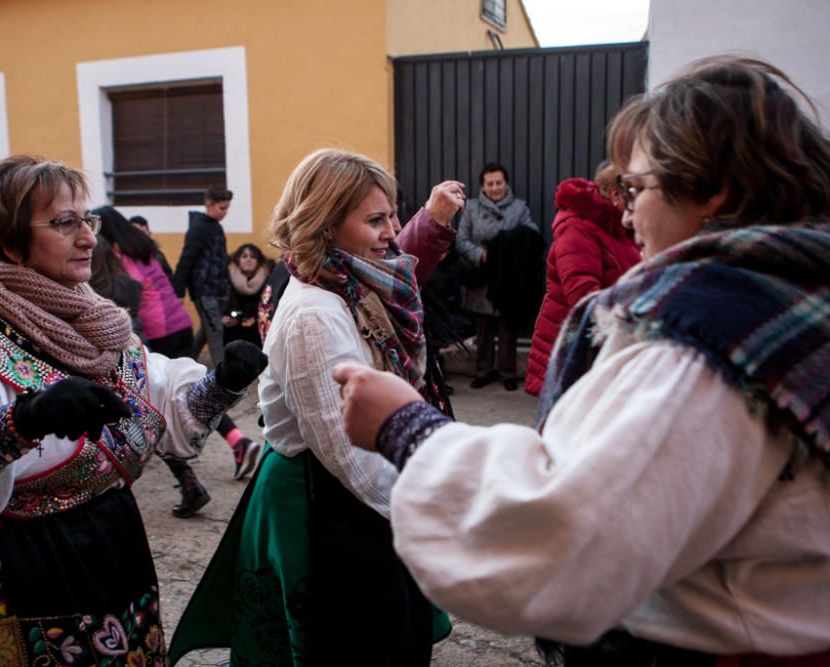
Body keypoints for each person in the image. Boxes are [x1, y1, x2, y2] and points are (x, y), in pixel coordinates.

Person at [333, 56, 830, 665]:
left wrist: (406, 427)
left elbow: (565, 539)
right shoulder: (794, 298)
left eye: (637, 188)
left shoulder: (705, 342)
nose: (625, 211)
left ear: (714, 190)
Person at [0, 155, 267, 666]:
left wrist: (223, 382)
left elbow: (165, 407)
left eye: (87, 220)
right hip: (17, 572)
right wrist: (20, 421)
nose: (88, 238)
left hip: (108, 553)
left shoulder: (99, 328)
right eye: (63, 223)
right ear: (11, 242)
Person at [169, 150, 459, 666]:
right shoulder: (314, 314)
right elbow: (344, 450)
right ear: (325, 225)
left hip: (354, 495)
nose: (393, 231)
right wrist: (424, 508)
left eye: (394, 214)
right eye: (375, 219)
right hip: (326, 504)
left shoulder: (355, 286)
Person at [98, 206, 260, 518]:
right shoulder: (148, 249)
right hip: (179, 324)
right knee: (185, 394)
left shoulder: (118, 258)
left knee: (153, 405)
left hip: (155, 330)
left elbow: (126, 297)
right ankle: (237, 441)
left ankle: (189, 481)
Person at [524, 162, 640, 396]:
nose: (639, 199)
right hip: (576, 355)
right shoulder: (578, 229)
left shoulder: (619, 228)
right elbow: (584, 298)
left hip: (600, 352)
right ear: (616, 194)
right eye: (634, 190)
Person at [456, 163, 539, 390]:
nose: (495, 188)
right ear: (483, 186)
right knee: (483, 329)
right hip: (482, 275)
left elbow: (531, 236)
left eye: (499, 183)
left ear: (506, 184)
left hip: (508, 279)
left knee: (507, 327)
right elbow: (461, 240)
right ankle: (483, 371)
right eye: (490, 183)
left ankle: (508, 372)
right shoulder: (471, 208)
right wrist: (481, 255)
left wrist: (508, 251)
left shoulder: (519, 208)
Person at [171, 185, 234, 366]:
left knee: (208, 329)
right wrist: (179, 291)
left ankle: (187, 361)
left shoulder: (216, 228)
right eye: (222, 208)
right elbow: (186, 260)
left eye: (227, 208)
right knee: (215, 330)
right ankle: (223, 374)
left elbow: (219, 259)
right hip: (204, 290)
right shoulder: (198, 228)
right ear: (209, 204)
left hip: (219, 289)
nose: (225, 213)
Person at [223, 243, 271, 347]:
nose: (248, 259)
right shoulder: (227, 279)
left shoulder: (268, 281)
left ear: (258, 261)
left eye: (253, 257)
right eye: (244, 256)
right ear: (238, 260)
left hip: (258, 334)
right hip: (233, 332)